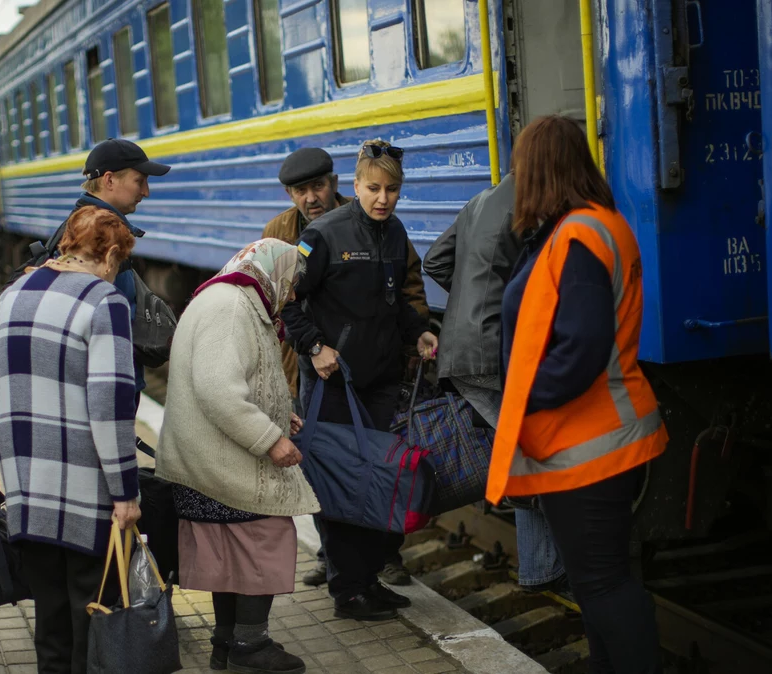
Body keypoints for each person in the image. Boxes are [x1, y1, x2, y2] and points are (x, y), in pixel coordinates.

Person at [487, 115, 668, 673]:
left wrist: (520, 402)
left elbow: (582, 350)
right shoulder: (595, 225)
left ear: (541, 169)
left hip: (591, 446)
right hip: (599, 441)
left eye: (522, 167)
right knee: (601, 586)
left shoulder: (578, 236)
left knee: (604, 586)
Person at [0, 206, 142, 674]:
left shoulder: (13, 293)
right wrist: (125, 492)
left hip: (27, 490)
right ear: (110, 254)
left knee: (50, 614)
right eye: (117, 262)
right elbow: (110, 404)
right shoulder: (104, 301)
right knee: (91, 614)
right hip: (86, 493)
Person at [282, 140, 438, 621]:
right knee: (341, 485)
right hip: (333, 385)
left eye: (392, 189)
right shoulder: (323, 235)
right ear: (354, 186)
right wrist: (313, 347)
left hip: (380, 382)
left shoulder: (393, 234)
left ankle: (367, 579)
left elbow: (396, 303)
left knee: (375, 481)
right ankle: (347, 590)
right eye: (373, 188)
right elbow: (285, 299)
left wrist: (421, 333)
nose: (383, 198)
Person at [157, 238, 321, 674]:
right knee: (265, 537)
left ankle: (226, 643)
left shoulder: (233, 298)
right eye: (290, 283)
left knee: (229, 557)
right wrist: (271, 438)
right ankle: (251, 647)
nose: (290, 294)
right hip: (220, 462)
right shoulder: (231, 307)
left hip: (209, 459)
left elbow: (240, 376)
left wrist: (280, 412)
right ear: (274, 271)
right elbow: (218, 391)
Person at [424, 174, 567, 593]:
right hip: (491, 349)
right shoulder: (533, 202)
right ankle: (543, 567)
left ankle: (545, 564)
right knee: (527, 451)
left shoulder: (479, 200)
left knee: (520, 449)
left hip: (461, 344)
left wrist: (470, 301)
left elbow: (434, 261)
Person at [1, 137, 171, 398]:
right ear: (110, 180)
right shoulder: (98, 237)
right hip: (104, 384)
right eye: (140, 181)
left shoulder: (84, 227)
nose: (146, 191)